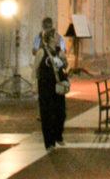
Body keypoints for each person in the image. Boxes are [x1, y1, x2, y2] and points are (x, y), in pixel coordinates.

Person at [32, 17, 68, 150]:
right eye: (55, 35)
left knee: (61, 113)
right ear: (50, 38)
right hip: (45, 85)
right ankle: (49, 142)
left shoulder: (59, 51)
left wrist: (64, 61)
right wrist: (34, 86)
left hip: (58, 84)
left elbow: (66, 65)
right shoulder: (42, 52)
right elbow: (35, 69)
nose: (58, 36)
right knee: (47, 114)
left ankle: (58, 135)